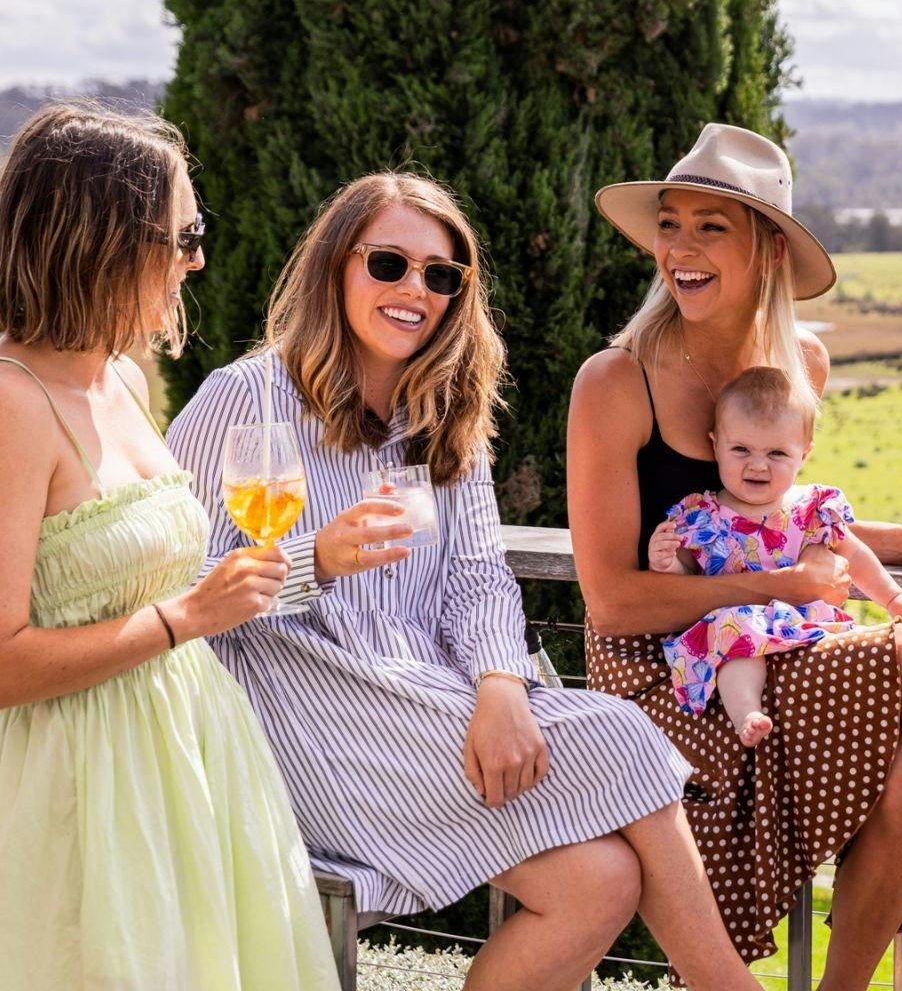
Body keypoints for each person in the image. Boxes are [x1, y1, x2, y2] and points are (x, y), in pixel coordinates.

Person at [167, 171, 763, 991]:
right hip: (300, 725)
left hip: (430, 702)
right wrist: (315, 562)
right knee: (623, 734)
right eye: (389, 265)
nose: (416, 289)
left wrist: (501, 688)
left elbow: (479, 578)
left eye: (441, 275)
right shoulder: (242, 401)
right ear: (337, 265)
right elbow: (168, 587)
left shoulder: (442, 413)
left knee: (601, 882)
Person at [571, 123, 902, 990]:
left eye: (712, 227)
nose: (680, 248)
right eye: (671, 224)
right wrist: (788, 583)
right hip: (666, 679)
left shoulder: (800, 365)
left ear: (769, 253)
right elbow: (610, 605)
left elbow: (776, 516)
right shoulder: (617, 380)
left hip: (778, 649)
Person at [0, 104, 337, 989]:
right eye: (182, 234)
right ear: (100, 238)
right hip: (78, 784)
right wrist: (189, 615)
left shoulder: (123, 376)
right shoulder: (11, 404)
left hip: (186, 752)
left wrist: (305, 566)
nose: (196, 257)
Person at [650, 365, 902, 747]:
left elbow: (855, 554)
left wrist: (893, 597)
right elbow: (689, 577)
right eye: (741, 449)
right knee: (737, 645)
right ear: (716, 445)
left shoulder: (812, 509)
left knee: (876, 660)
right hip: (742, 624)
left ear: (804, 453)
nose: (758, 464)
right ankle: (747, 714)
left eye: (777, 452)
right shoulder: (703, 517)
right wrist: (667, 563)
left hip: (808, 627)